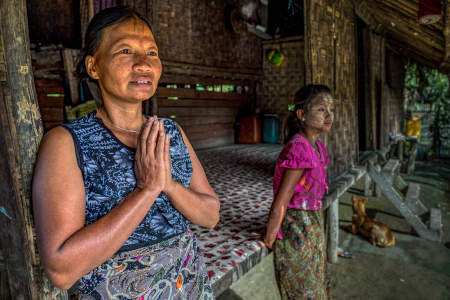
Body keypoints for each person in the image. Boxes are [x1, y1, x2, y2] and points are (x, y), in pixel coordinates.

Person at [32, 6, 220, 299]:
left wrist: (168, 185)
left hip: (189, 285)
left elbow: (210, 215)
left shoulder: (170, 132)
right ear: (94, 66)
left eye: (152, 53)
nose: (144, 64)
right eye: (125, 51)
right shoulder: (68, 142)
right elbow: (62, 270)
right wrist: (146, 191)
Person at [264, 84, 334, 299]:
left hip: (312, 229)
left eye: (331, 109)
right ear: (302, 114)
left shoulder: (318, 147)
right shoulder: (299, 148)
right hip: (296, 231)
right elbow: (282, 201)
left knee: (316, 287)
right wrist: (270, 237)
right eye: (322, 109)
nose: (329, 114)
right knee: (303, 292)